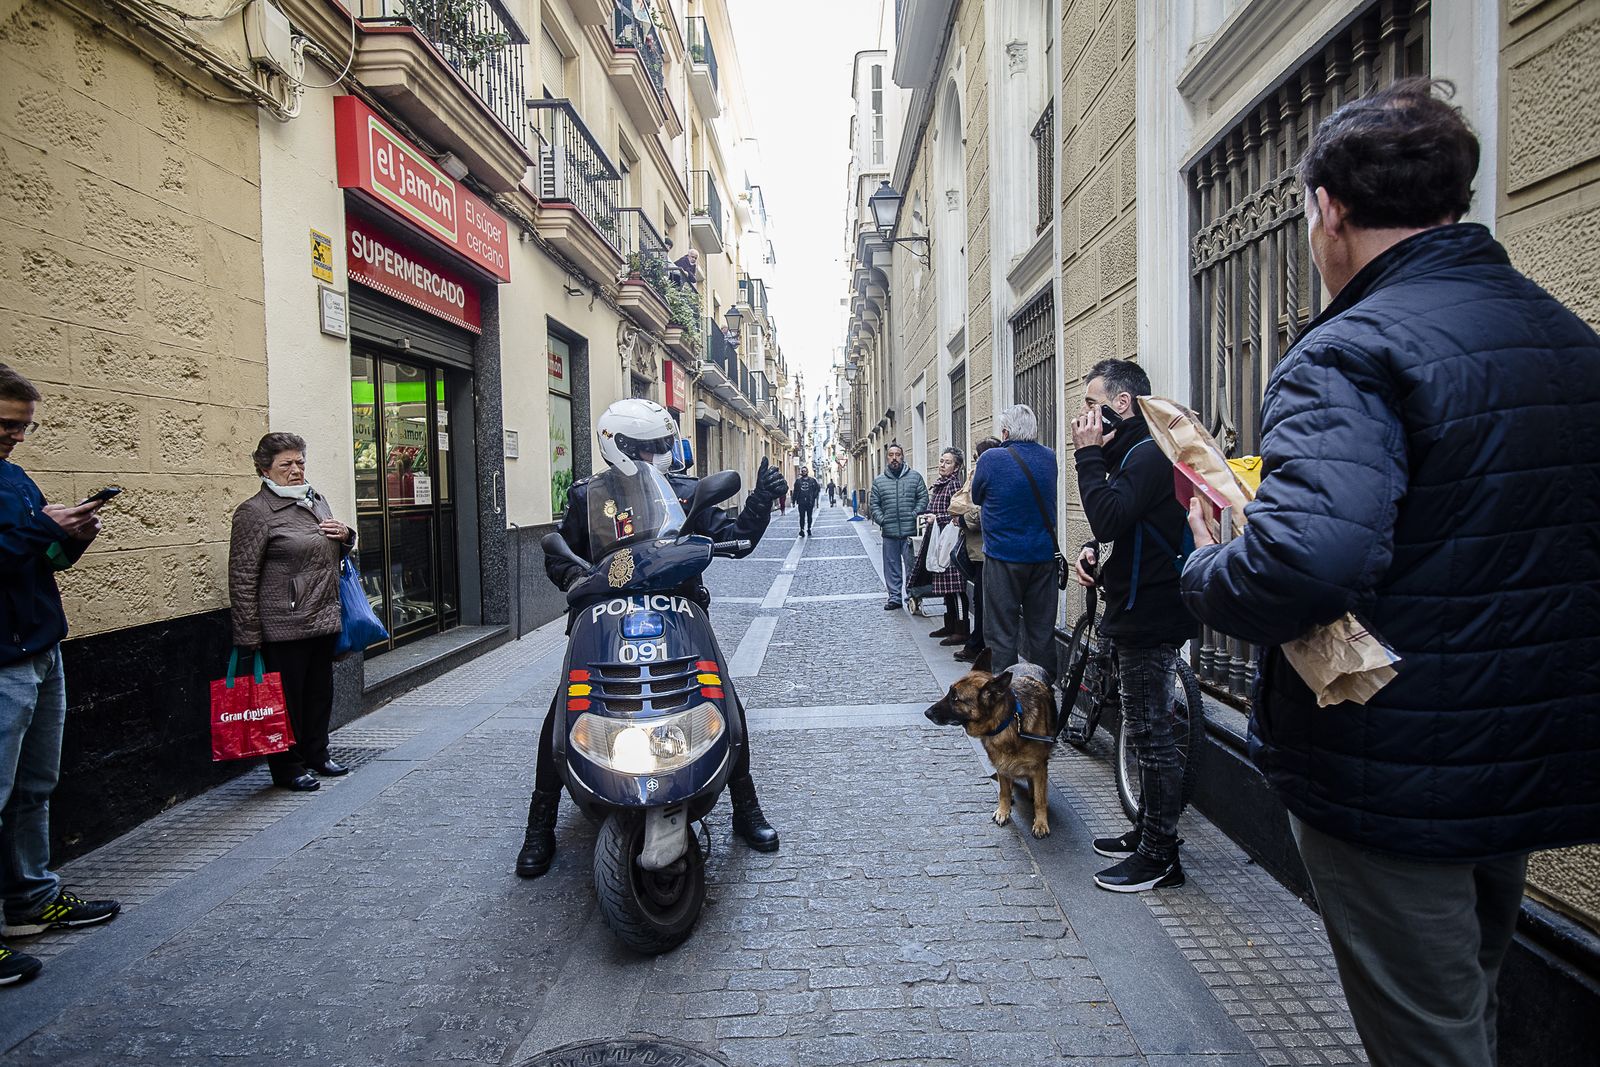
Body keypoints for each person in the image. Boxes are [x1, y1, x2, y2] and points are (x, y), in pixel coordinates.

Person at [1180, 79, 1600, 1067]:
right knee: (1468, 998)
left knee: (1429, 1035)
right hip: (1534, 745)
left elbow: (1305, 557)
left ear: (1326, 209)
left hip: (1397, 763)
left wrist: (1205, 563)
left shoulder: (1349, 349)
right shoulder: (1564, 337)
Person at [517, 399, 788, 878]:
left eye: (667, 444)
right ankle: (540, 822)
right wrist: (575, 577)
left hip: (679, 609)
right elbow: (560, 555)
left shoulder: (684, 491)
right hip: (605, 616)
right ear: (621, 448)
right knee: (562, 711)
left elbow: (737, 537)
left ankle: (747, 808)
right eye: (654, 447)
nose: (666, 454)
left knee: (725, 700)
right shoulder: (587, 495)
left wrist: (761, 500)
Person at [0, 363, 121, 987]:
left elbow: (36, 555)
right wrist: (42, 530)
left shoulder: (14, 479)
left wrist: (71, 538)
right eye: (5, 424)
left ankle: (29, 900)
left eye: (22, 426)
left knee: (33, 786)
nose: (15, 437)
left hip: (40, 650)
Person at [1069, 358, 1196, 893]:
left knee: (1151, 735)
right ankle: (1146, 830)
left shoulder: (1144, 455)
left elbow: (1109, 515)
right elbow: (1121, 526)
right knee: (1143, 730)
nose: (1084, 416)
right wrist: (1094, 552)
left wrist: (1086, 457)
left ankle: (1159, 856)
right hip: (1137, 605)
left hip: (1150, 615)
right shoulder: (1135, 455)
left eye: (1092, 404)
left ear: (1121, 404)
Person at [228, 432, 357, 793]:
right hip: (283, 623)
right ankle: (288, 767)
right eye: (286, 464)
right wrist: (248, 635)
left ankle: (318, 754)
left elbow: (337, 548)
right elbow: (241, 577)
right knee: (286, 700)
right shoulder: (254, 513)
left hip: (324, 615)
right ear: (265, 469)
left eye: (300, 462)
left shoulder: (316, 500)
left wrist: (346, 535)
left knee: (319, 693)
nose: (296, 469)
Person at [968, 405, 1058, 676]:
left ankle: (1005, 696)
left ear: (1005, 432)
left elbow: (976, 497)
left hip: (1003, 556)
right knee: (1041, 631)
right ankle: (1043, 692)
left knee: (1001, 631)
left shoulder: (992, 459)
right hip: (1042, 557)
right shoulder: (1049, 456)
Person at [948, 436, 1001, 662]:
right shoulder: (977, 475)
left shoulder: (991, 475)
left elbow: (981, 510)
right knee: (981, 600)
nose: (975, 462)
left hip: (984, 549)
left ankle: (979, 646)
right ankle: (978, 644)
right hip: (978, 549)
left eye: (977, 457)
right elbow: (958, 502)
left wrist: (963, 520)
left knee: (983, 601)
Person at [868, 443, 927, 611]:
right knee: (891, 567)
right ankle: (894, 597)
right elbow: (874, 505)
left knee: (912, 567)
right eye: (891, 455)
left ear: (903, 456)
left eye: (897, 455)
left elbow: (923, 498)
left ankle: (912, 596)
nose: (894, 458)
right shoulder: (879, 482)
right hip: (890, 533)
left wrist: (914, 514)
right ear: (887, 458)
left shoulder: (915, 477)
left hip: (910, 532)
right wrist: (883, 520)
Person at [924, 448, 970, 645]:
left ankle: (961, 629)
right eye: (941, 461)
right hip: (941, 540)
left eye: (948, 462)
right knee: (946, 588)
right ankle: (950, 625)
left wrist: (937, 517)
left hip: (951, 543)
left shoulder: (953, 485)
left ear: (957, 467)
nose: (942, 465)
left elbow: (957, 514)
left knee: (956, 589)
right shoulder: (940, 484)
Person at [792, 467, 820, 536]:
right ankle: (801, 529)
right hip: (801, 502)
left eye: (805, 471)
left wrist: (814, 496)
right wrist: (794, 501)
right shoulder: (798, 481)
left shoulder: (812, 480)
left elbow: (817, 488)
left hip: (809, 501)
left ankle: (809, 528)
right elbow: (795, 491)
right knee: (802, 516)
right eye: (802, 471)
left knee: (809, 516)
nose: (803, 472)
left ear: (807, 472)